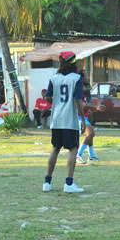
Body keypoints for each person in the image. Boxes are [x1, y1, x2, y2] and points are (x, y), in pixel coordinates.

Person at [43, 51, 86, 193]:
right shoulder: (76, 78)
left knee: (55, 148)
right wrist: (83, 119)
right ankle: (69, 183)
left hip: (56, 119)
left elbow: (48, 97)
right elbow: (77, 100)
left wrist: (56, 103)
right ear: (73, 63)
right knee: (73, 149)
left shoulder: (53, 78)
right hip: (69, 119)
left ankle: (47, 182)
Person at [76, 72, 105, 163]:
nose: (88, 77)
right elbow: (83, 105)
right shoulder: (78, 89)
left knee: (90, 135)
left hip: (84, 116)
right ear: (81, 78)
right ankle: (78, 155)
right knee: (91, 134)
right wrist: (96, 107)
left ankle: (92, 156)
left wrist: (96, 109)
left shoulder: (86, 90)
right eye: (86, 75)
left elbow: (88, 105)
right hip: (78, 116)